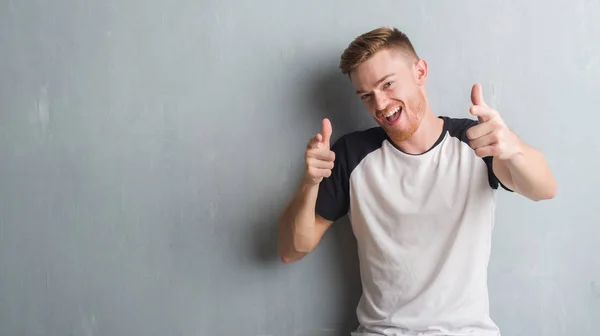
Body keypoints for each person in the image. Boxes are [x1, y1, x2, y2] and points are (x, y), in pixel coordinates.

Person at [277, 27, 557, 336]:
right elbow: (293, 250)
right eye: (367, 96)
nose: (380, 104)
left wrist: (512, 147)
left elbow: (544, 189)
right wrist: (310, 183)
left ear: (420, 71)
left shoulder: (476, 142)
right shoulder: (350, 154)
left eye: (388, 84)